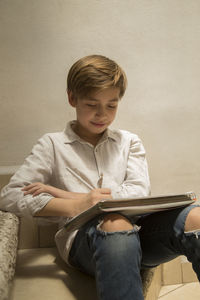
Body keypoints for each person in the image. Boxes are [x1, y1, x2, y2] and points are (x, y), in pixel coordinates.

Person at [0, 54, 200, 300]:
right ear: (72, 98)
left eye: (111, 105)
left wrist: (72, 196)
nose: (102, 114)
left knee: (196, 216)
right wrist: (75, 205)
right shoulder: (51, 145)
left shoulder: (129, 142)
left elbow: (137, 192)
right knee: (116, 222)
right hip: (84, 241)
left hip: (138, 232)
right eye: (92, 104)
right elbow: (9, 196)